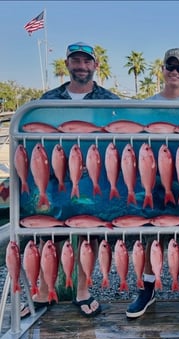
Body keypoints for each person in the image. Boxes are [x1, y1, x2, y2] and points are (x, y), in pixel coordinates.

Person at [27, 42, 119, 319]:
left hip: (93, 178)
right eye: (76, 60)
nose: (81, 66)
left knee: (88, 236)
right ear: (67, 64)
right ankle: (43, 292)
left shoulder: (111, 100)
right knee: (48, 235)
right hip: (55, 178)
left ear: (95, 65)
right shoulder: (48, 98)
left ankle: (82, 291)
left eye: (86, 61)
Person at [126, 48, 179, 319]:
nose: (175, 72)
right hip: (155, 180)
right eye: (170, 67)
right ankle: (148, 288)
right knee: (152, 236)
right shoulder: (146, 105)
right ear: (162, 69)